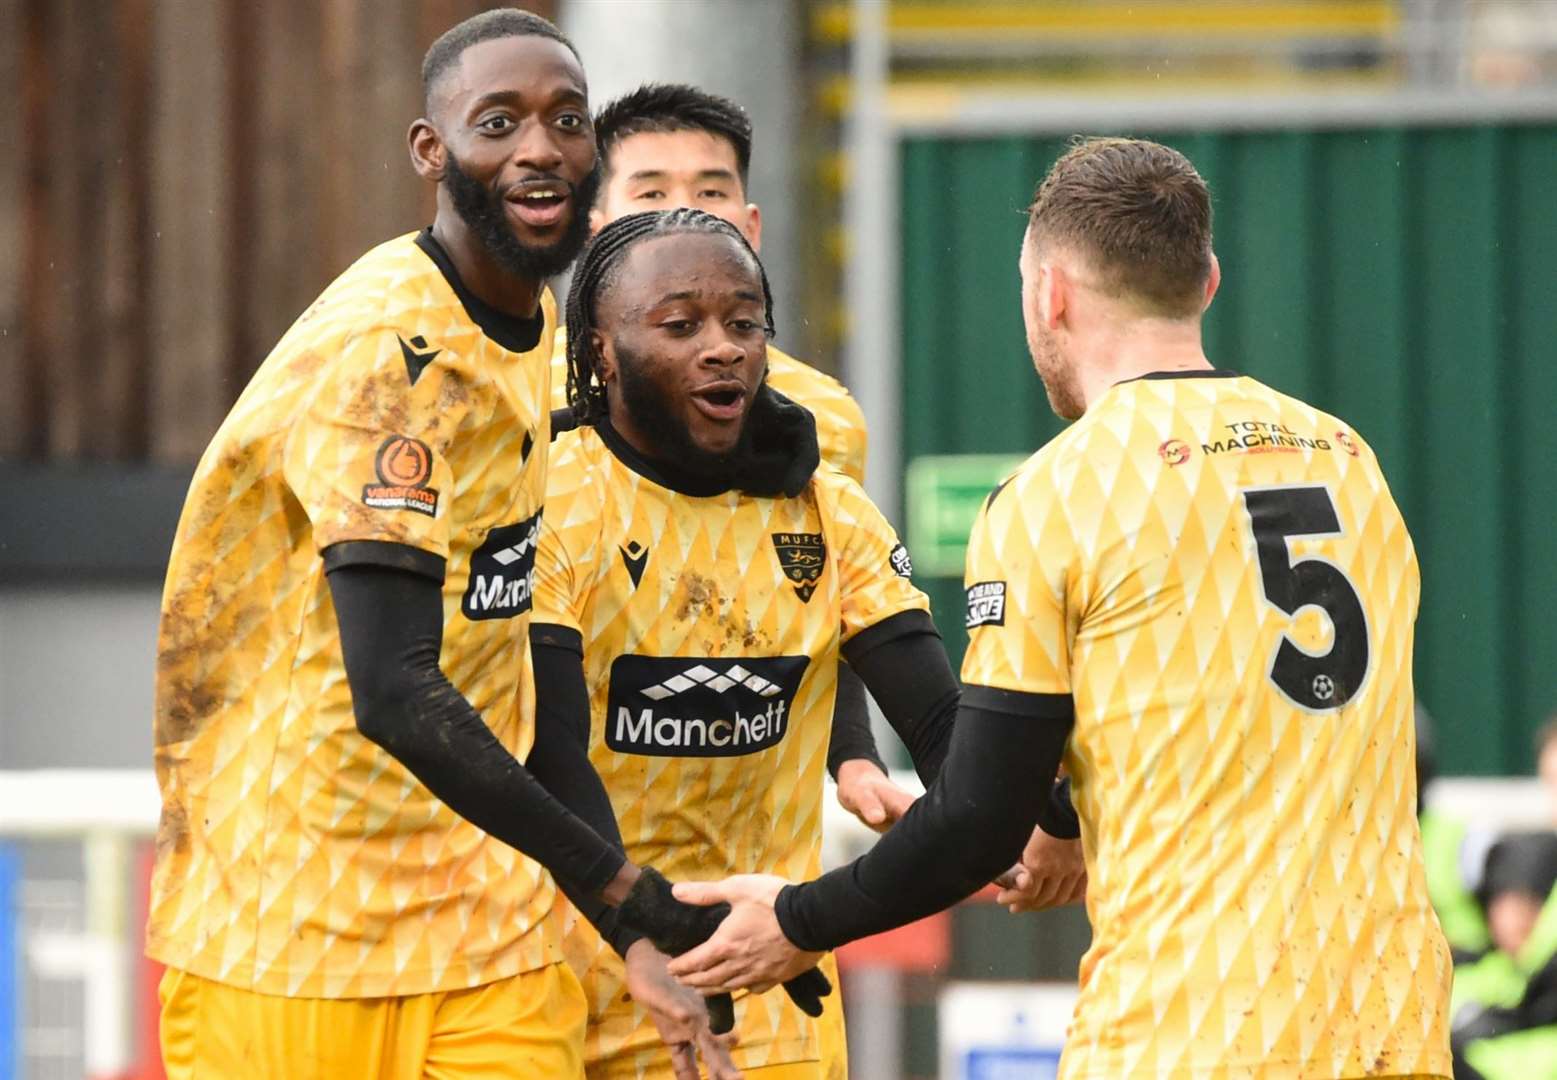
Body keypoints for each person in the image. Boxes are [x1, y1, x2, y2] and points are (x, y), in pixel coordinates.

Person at [666, 137, 1454, 1079]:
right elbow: (1234, 690)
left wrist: (797, 920)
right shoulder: (1348, 460)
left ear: (1050, 295)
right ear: (1205, 281)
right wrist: (1072, 820)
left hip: (1194, 1032)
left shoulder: (1060, 493)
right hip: (1392, 1021)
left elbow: (979, 819)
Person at [147, 11, 706, 1078]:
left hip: (484, 939)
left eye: (567, 120)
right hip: (292, 939)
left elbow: (513, 663)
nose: (539, 147)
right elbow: (396, 690)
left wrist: (628, 930)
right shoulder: (388, 358)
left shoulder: (541, 331)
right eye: (498, 122)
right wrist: (624, 884)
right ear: (431, 150)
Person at [535, 207, 965, 1079]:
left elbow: (946, 731)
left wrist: (1030, 815)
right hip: (557, 975)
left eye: (743, 323)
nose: (723, 347)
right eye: (680, 325)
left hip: (759, 978)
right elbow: (547, 753)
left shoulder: (826, 512)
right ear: (598, 353)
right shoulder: (551, 499)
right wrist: (637, 927)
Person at [550, 83, 913, 837]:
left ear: (748, 225)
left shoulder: (820, 418)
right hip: (579, 859)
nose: (681, 211)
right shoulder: (526, 403)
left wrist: (852, 754)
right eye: (648, 191)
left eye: (710, 191)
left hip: (758, 855)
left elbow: (820, 599)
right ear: (594, 229)